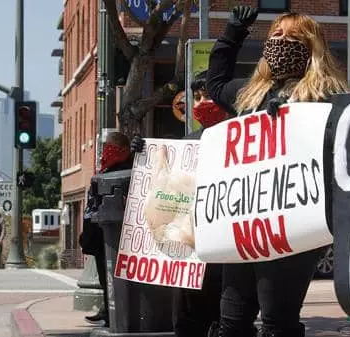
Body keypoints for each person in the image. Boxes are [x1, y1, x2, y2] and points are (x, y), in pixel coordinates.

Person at [205, 6, 348, 337]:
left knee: (277, 323)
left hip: (291, 224)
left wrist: (294, 117)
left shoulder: (329, 98)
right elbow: (216, 84)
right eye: (276, 36)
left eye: (294, 38)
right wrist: (233, 32)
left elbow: (340, 145)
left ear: (312, 49)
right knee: (232, 320)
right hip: (244, 222)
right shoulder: (250, 94)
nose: (282, 43)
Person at [131, 71, 236, 337]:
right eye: (197, 97)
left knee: (227, 321)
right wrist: (144, 154)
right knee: (188, 321)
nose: (201, 103)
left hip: (229, 253)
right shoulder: (188, 143)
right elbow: (166, 187)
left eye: (208, 96)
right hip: (191, 252)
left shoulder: (244, 139)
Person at [79, 132, 134, 327]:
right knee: (104, 276)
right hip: (97, 234)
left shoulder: (125, 169)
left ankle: (113, 312)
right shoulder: (104, 171)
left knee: (113, 275)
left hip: (112, 236)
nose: (105, 151)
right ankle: (106, 308)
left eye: (109, 146)